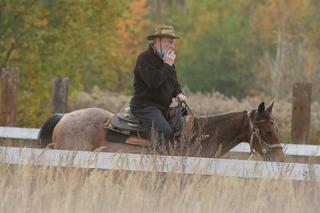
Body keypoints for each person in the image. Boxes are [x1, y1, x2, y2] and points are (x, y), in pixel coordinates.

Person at [130, 25, 187, 144]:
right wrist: (167, 65)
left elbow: (174, 82)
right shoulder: (145, 58)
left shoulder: (167, 60)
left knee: (184, 127)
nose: (172, 46)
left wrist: (178, 93)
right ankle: (155, 161)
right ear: (157, 42)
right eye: (169, 43)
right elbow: (153, 82)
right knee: (164, 130)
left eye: (173, 43)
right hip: (144, 106)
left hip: (161, 107)